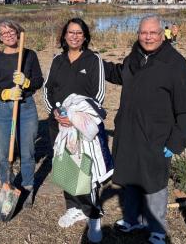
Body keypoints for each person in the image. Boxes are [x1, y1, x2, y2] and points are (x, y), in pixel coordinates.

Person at [103, 15, 186, 244]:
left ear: (162, 34)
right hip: (128, 131)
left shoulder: (175, 64)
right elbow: (120, 73)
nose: (148, 37)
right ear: (138, 34)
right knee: (130, 177)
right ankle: (132, 219)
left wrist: (176, 141)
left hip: (157, 136)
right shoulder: (134, 57)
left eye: (153, 33)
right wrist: (95, 63)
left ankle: (157, 228)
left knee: (154, 183)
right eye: (143, 33)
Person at [43, 18, 113, 243]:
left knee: (86, 170)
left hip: (83, 125)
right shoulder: (57, 60)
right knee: (66, 167)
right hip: (59, 124)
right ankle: (73, 207)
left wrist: (75, 118)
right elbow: (48, 90)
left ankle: (93, 215)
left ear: (85, 37)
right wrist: (56, 113)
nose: (74, 36)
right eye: (70, 32)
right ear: (64, 36)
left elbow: (99, 95)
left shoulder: (94, 60)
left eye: (79, 33)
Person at [0, 19, 43, 207]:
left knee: (28, 151)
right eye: (4, 33)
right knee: (3, 152)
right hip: (1, 109)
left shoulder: (29, 55)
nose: (8, 35)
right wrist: (5, 93)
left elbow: (38, 80)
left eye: (12, 31)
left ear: (18, 33)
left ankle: (27, 187)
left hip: (25, 107)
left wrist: (26, 83)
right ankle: (6, 185)